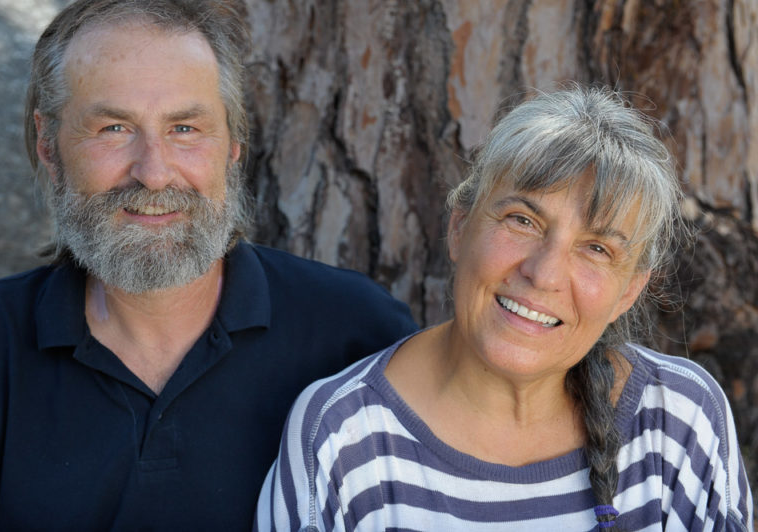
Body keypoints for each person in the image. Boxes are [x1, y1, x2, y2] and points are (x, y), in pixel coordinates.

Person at [0, 1, 419, 530]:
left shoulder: (357, 335)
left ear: (233, 145)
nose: (154, 173)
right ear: (49, 144)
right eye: (113, 127)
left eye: (184, 128)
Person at [255, 86, 754, 531]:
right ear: (459, 227)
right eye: (522, 220)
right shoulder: (341, 437)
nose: (544, 273)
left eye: (597, 248)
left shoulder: (678, 420)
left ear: (628, 292)